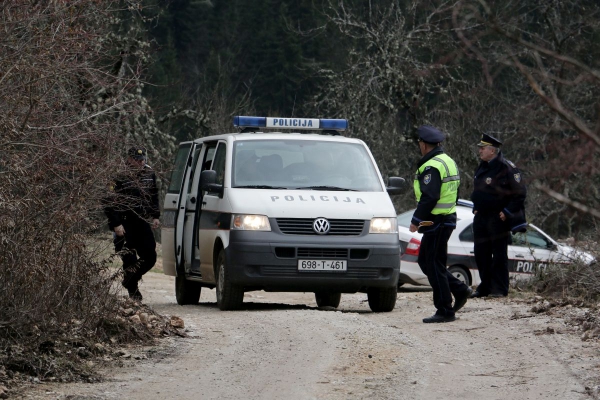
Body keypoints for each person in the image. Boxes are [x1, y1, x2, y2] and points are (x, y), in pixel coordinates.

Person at [410, 125, 473, 323]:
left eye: (420, 143)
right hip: (445, 218)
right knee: (427, 261)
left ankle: (445, 309)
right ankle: (459, 289)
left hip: (437, 221)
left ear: (424, 144)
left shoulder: (432, 166)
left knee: (433, 263)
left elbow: (429, 197)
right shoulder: (448, 161)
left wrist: (415, 220)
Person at [470, 133, 527, 298]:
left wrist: (507, 212)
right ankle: (485, 286)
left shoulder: (506, 167)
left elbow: (520, 193)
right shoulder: (482, 166)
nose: (479, 151)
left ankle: (500, 288)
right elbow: (479, 190)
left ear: (492, 151)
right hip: (481, 216)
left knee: (498, 254)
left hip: (498, 217)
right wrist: (476, 206)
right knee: (481, 253)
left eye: (482, 148)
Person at [104, 147, 160, 300]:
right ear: (129, 159)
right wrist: (116, 224)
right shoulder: (119, 175)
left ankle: (129, 280)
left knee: (150, 256)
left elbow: (154, 195)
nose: (141, 162)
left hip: (141, 220)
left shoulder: (149, 173)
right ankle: (133, 291)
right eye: (137, 160)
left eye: (142, 160)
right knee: (129, 258)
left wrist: (155, 215)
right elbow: (108, 201)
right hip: (123, 223)